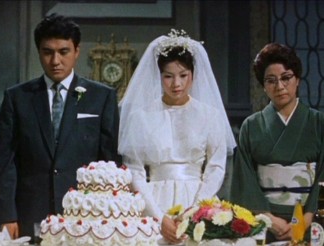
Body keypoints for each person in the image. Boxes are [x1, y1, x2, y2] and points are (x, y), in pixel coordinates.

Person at [0, 13, 121, 241]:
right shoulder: (17, 97)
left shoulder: (101, 97)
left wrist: (109, 216)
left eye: (63, 52)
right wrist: (7, 215)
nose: (55, 61)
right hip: (30, 212)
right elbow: (5, 162)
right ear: (38, 52)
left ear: (77, 51)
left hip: (87, 216)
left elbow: (109, 162)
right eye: (47, 52)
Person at [118, 29, 236, 243]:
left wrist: (195, 210)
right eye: (168, 76)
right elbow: (134, 170)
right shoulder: (141, 116)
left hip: (198, 199)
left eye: (183, 76)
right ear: (159, 76)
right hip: (152, 200)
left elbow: (216, 166)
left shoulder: (209, 115)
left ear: (193, 75)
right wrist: (157, 216)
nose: (176, 84)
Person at [230, 43, 324, 243]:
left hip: (312, 219)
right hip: (264, 221)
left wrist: (305, 219)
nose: (279, 86)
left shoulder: (318, 123)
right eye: (271, 81)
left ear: (297, 79)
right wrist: (268, 219)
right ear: (263, 86)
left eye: (286, 78)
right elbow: (244, 181)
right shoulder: (251, 126)